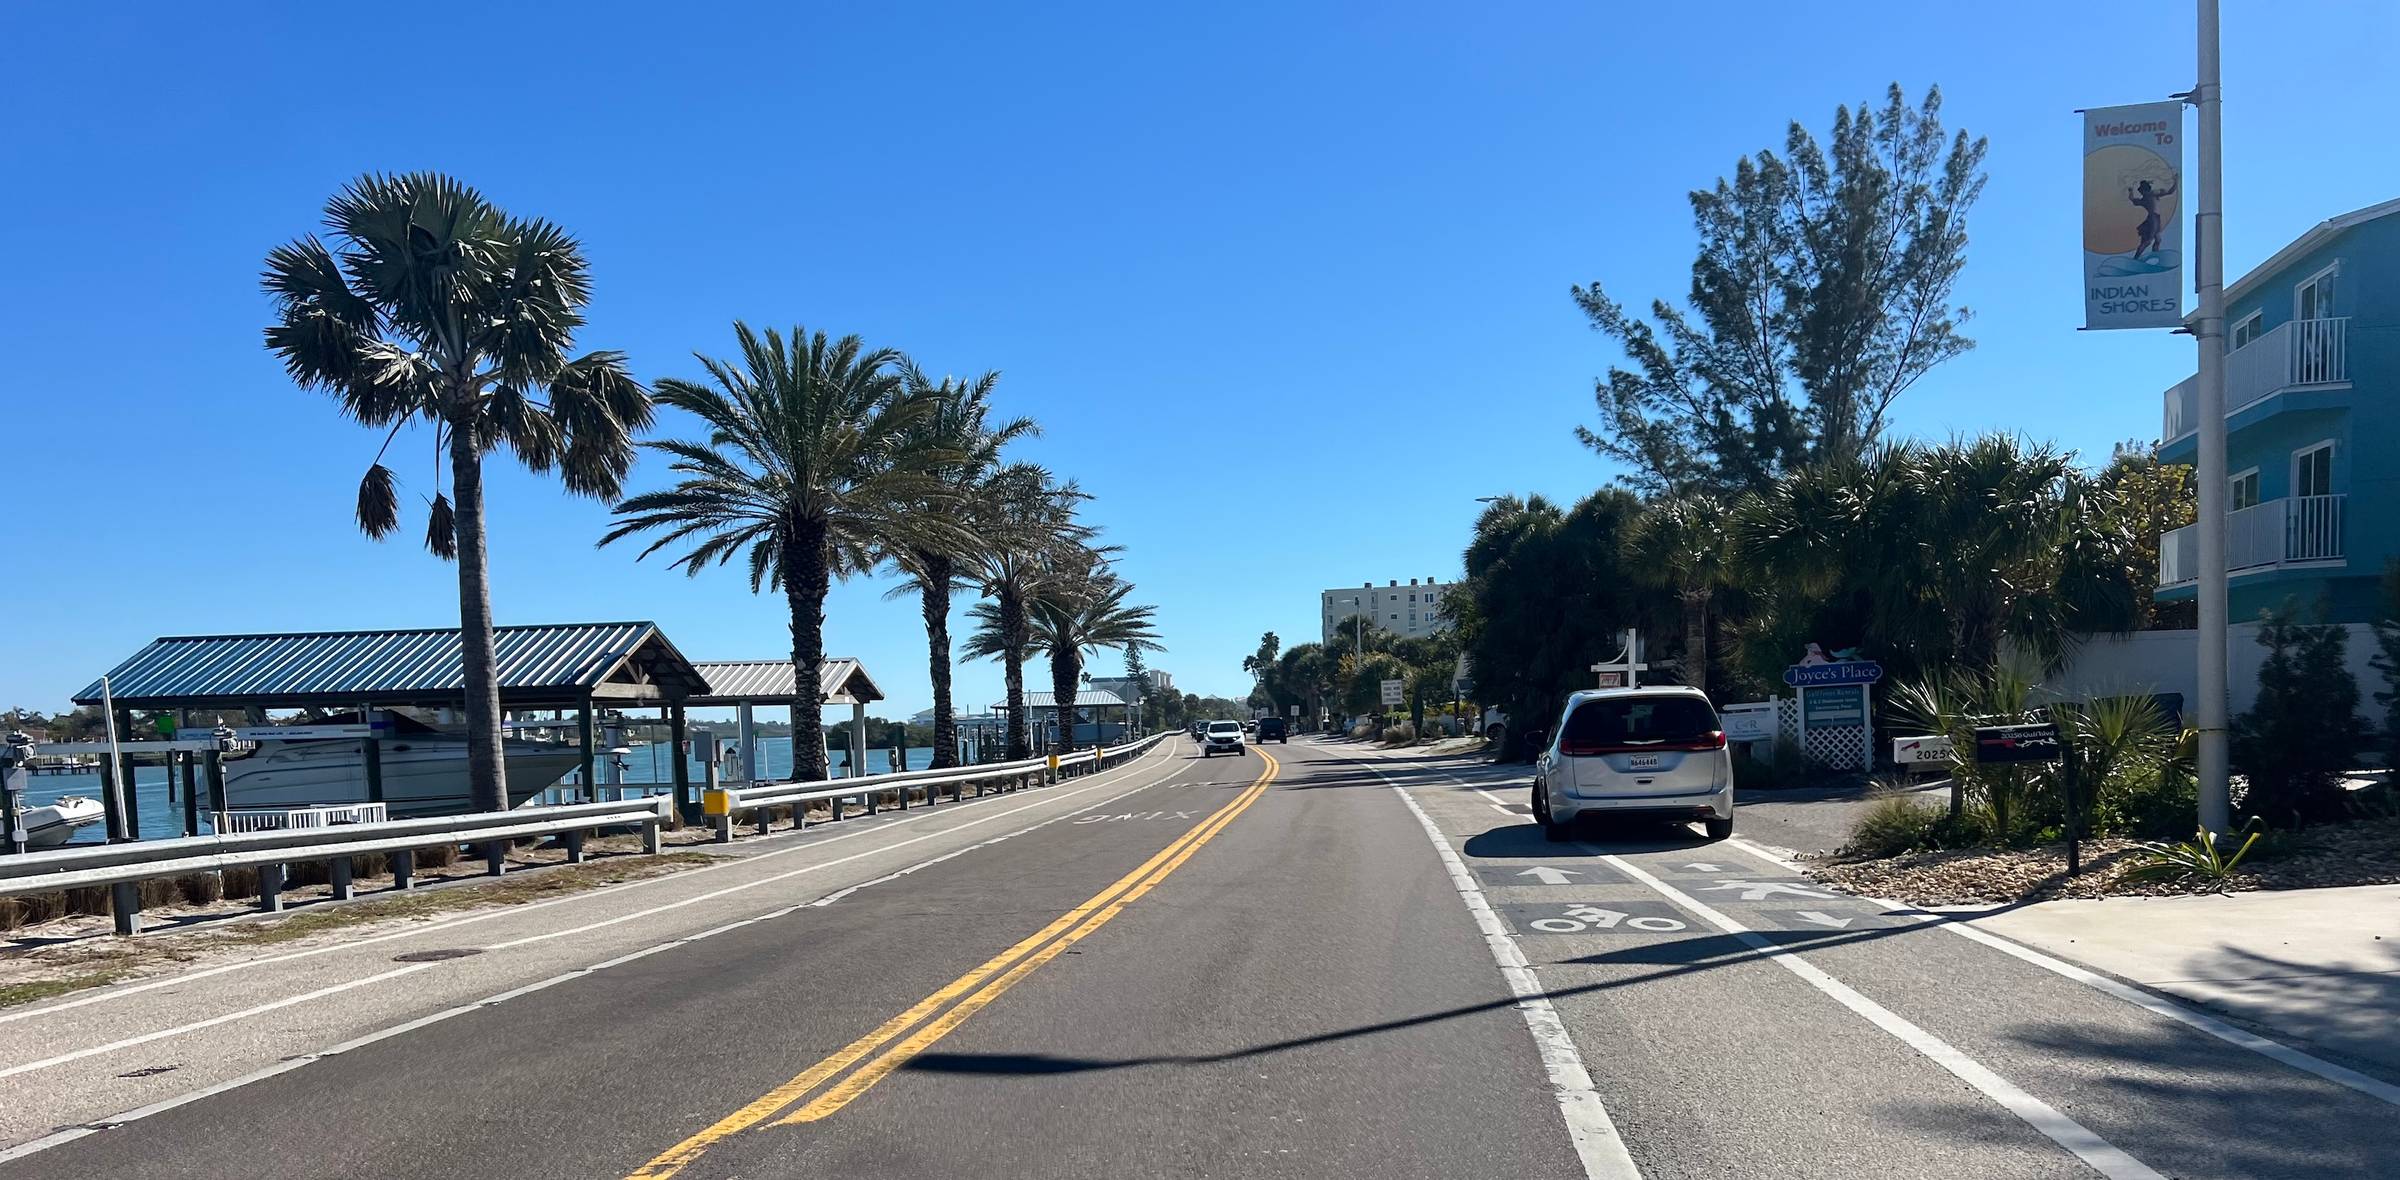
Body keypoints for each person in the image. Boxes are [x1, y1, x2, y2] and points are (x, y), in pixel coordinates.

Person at [2127, 177, 2177, 260]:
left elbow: (2132, 199)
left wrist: (2131, 191)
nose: (2141, 192)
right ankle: (2136, 258)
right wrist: (2176, 181)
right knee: (2148, 241)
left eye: (2142, 191)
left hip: (2156, 218)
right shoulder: (2150, 195)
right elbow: (2170, 192)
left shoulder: (2149, 195)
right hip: (2153, 218)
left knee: (2157, 239)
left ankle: (2155, 256)